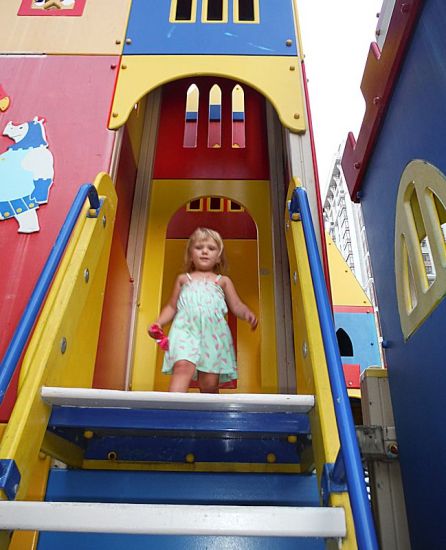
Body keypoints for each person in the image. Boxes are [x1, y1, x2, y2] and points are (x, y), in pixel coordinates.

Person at [148, 227, 257, 393]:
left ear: (218, 257)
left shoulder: (222, 281)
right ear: (191, 255)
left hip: (213, 334)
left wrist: (247, 313)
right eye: (199, 247)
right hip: (185, 330)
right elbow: (171, 306)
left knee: (209, 383)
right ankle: (174, 407)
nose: (205, 251)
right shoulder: (183, 279)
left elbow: (236, 305)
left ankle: (208, 408)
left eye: (211, 248)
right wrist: (159, 323)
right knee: (182, 366)